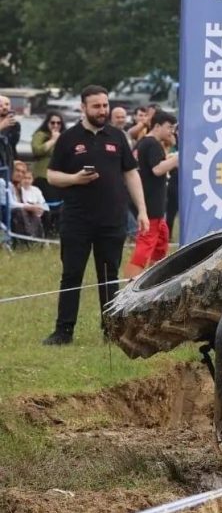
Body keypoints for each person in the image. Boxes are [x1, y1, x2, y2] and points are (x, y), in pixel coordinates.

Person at [43, 85, 149, 345]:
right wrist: (75, 179)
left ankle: (111, 330)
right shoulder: (68, 138)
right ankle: (63, 331)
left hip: (112, 219)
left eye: (105, 105)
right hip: (77, 220)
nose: (103, 111)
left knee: (109, 275)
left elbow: (131, 173)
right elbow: (51, 175)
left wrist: (143, 210)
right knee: (72, 274)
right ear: (83, 107)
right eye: (96, 106)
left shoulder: (117, 136)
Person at [123, 110, 178, 279]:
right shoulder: (153, 144)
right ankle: (130, 283)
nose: (171, 132)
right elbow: (157, 169)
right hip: (150, 205)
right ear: (157, 126)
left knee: (162, 241)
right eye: (169, 127)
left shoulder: (143, 143)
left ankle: (155, 279)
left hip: (153, 206)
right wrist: (179, 157)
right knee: (145, 245)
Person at [8, 160, 46, 243]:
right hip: (6, 212)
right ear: (11, 170)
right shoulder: (5, 184)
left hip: (17, 212)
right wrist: (28, 206)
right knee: (20, 211)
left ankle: (38, 241)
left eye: (23, 172)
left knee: (34, 210)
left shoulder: (20, 188)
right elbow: (9, 204)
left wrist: (34, 207)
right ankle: (25, 241)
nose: (20, 174)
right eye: (17, 170)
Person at [0, 95, 21, 172]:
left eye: (7, 104)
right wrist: (2, 126)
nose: (4, 107)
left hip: (8, 160)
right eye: (0, 105)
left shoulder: (14, 124)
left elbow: (12, 142)